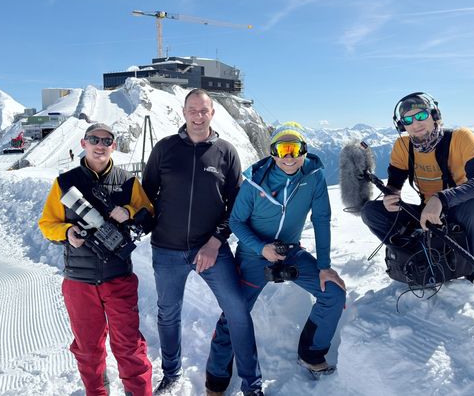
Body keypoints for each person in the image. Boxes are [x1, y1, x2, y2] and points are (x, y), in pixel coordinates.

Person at [205, 121, 347, 393]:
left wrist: (325, 267)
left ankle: (312, 353)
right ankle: (216, 378)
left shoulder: (313, 176)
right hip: (252, 254)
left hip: (290, 251)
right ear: (273, 153)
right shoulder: (254, 183)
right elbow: (236, 222)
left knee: (333, 294)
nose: (289, 156)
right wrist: (261, 248)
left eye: (295, 149)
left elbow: (321, 219)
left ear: (304, 151)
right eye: (283, 149)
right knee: (235, 314)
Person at [141, 89, 263, 396]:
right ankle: (171, 373)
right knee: (168, 312)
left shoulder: (225, 151)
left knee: (237, 311)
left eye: (204, 111)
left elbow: (237, 205)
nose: (198, 116)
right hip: (167, 249)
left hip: (211, 250)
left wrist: (216, 240)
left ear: (212, 113)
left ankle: (253, 385)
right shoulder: (165, 149)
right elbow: (146, 195)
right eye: (192, 110)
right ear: (183, 113)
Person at [39, 122, 154, 396]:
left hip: (118, 277)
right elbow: (46, 223)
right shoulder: (64, 183)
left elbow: (148, 212)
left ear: (114, 146)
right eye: (94, 140)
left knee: (129, 345)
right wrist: (67, 232)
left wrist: (128, 211)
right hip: (79, 281)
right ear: (84, 144)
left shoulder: (128, 181)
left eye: (106, 141)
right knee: (88, 347)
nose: (100, 145)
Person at [360, 92, 474, 284]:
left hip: (459, 210)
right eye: (408, 119)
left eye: (421, 115)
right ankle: (417, 258)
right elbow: (395, 183)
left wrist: (441, 199)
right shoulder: (403, 146)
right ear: (402, 126)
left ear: (434, 115)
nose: (415, 124)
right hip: (425, 214)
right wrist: (391, 196)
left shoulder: (461, 138)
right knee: (371, 211)